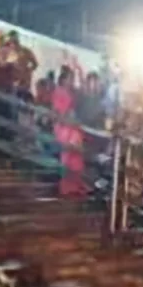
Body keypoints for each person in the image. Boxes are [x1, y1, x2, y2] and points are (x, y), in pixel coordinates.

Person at [53, 65, 85, 197]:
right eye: (70, 79)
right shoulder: (58, 92)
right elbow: (58, 112)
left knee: (75, 155)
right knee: (67, 155)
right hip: (64, 127)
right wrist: (68, 118)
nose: (71, 81)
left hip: (71, 126)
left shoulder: (70, 92)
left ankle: (74, 184)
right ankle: (65, 185)